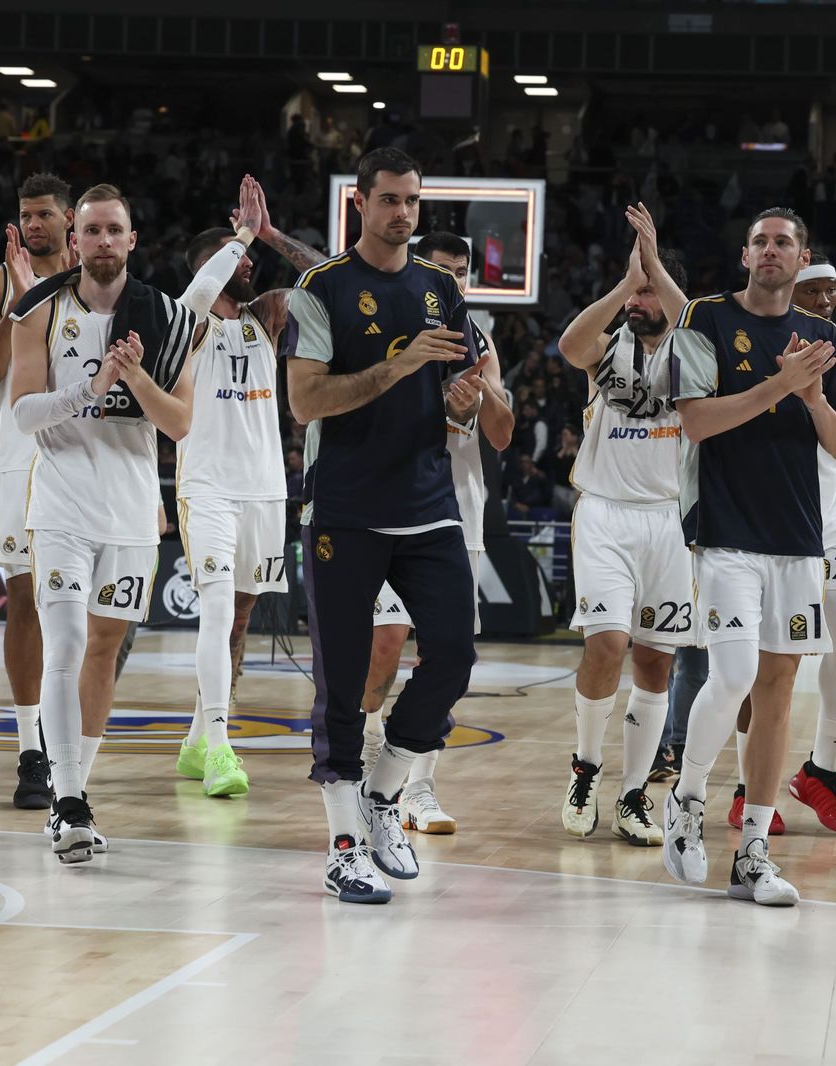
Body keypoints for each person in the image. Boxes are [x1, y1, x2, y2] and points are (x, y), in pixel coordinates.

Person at [282, 147, 485, 904]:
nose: (403, 212)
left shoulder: (441, 289)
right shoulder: (321, 290)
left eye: (412, 200)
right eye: (389, 199)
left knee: (456, 658)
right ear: (360, 205)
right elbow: (305, 402)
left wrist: (460, 402)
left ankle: (384, 794)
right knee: (340, 686)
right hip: (345, 509)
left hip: (429, 505)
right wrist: (397, 367)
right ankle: (342, 849)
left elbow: (455, 392)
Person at [665, 207, 836, 905]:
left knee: (777, 699)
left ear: (802, 256)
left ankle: (752, 851)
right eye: (760, 242)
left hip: (798, 539)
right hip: (725, 534)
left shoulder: (824, 337)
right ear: (745, 255)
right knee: (737, 672)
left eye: (784, 242)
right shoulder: (705, 321)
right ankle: (686, 803)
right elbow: (694, 421)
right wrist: (779, 385)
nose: (772, 251)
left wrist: (810, 397)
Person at [9, 183, 200, 863]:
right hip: (59, 505)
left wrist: (135, 377)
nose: (102, 242)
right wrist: (89, 389)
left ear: (132, 240)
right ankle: (67, 802)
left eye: (114, 230)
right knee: (63, 643)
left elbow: (181, 423)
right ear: (74, 239)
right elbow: (23, 414)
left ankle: (75, 797)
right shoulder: (38, 309)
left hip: (128, 511)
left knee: (101, 654)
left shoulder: (169, 317)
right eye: (90, 231)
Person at [172, 176, 330, 797]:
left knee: (238, 621)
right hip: (207, 485)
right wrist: (236, 237)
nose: (248, 265)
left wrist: (267, 235)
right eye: (237, 259)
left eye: (249, 258)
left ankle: (195, 739)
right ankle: (219, 747)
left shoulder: (267, 316)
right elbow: (203, 290)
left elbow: (329, 277)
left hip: (264, 488)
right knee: (213, 608)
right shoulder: (186, 321)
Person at [360, 230, 514, 837]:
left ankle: (418, 787)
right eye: (438, 269)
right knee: (382, 648)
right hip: (391, 507)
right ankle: (375, 759)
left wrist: (482, 395)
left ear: (468, 281)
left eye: (459, 272)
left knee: (444, 657)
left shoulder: (480, 341)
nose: (449, 280)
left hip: (458, 513)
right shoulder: (390, 329)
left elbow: (500, 436)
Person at [555, 203, 690, 847]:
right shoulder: (607, 348)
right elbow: (569, 345)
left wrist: (656, 267)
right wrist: (622, 281)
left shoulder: (693, 352)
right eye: (633, 293)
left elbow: (694, 321)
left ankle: (636, 794)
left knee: (657, 665)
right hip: (605, 511)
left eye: (646, 292)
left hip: (669, 519)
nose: (638, 301)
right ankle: (586, 766)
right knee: (606, 645)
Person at [725, 254, 836, 838]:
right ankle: (745, 787)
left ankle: (822, 770)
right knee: (762, 659)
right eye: (816, 291)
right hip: (770, 512)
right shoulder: (749, 336)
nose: (825, 302)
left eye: (833, 293)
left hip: (831, 514)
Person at [0, 172, 75, 810]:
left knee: (82, 611)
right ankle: (32, 748)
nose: (33, 224)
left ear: (68, 220)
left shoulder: (97, 277)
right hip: (17, 454)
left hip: (85, 452)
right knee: (26, 602)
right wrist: (18, 308)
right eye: (25, 215)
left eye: (44, 215)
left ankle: (72, 741)